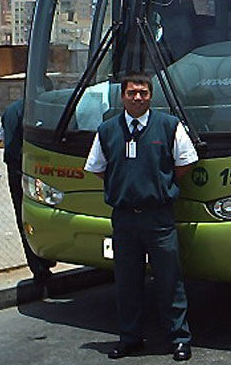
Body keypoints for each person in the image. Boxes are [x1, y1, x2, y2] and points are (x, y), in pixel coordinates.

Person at [84, 72, 197, 361]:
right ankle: (130, 338)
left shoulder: (169, 126)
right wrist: (121, 185)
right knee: (127, 282)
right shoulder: (108, 130)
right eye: (132, 93)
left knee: (170, 280)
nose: (137, 98)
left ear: (151, 96)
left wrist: (161, 184)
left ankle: (179, 339)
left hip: (158, 218)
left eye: (143, 93)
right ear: (122, 96)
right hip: (124, 219)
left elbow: (186, 161)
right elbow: (97, 167)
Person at [0, 98, 55, 281]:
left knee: (23, 216)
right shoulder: (44, 108)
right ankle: (47, 257)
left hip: (16, 170)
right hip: (40, 169)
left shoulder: (9, 111)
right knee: (45, 211)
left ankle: (38, 267)